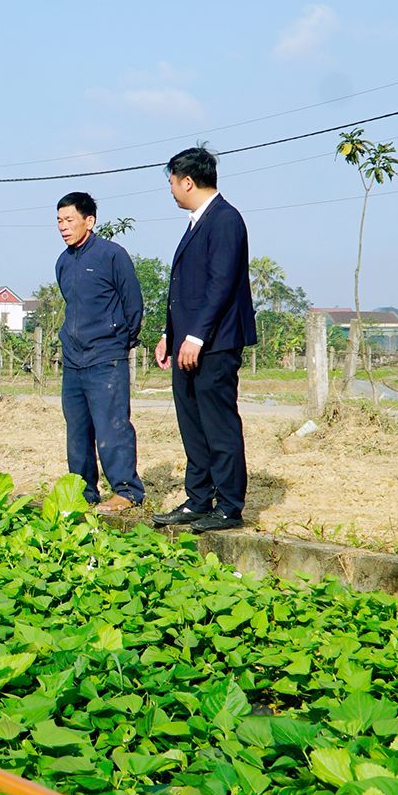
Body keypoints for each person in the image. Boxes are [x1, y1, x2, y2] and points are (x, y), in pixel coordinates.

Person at [152, 146, 256, 532]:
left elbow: (220, 284)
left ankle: (229, 507)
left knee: (218, 423)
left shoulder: (225, 220)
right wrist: (170, 334)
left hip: (215, 342)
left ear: (187, 182)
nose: (170, 190)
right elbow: (185, 288)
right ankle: (198, 499)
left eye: (171, 182)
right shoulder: (198, 222)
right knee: (192, 423)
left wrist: (196, 336)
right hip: (188, 342)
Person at [53, 191, 144, 513]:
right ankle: (83, 492)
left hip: (106, 357)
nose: (63, 227)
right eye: (59, 221)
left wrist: (118, 341)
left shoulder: (112, 255)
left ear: (89, 221)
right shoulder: (63, 261)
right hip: (73, 360)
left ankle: (126, 491)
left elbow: (133, 305)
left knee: (112, 426)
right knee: (77, 430)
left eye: (69, 220)